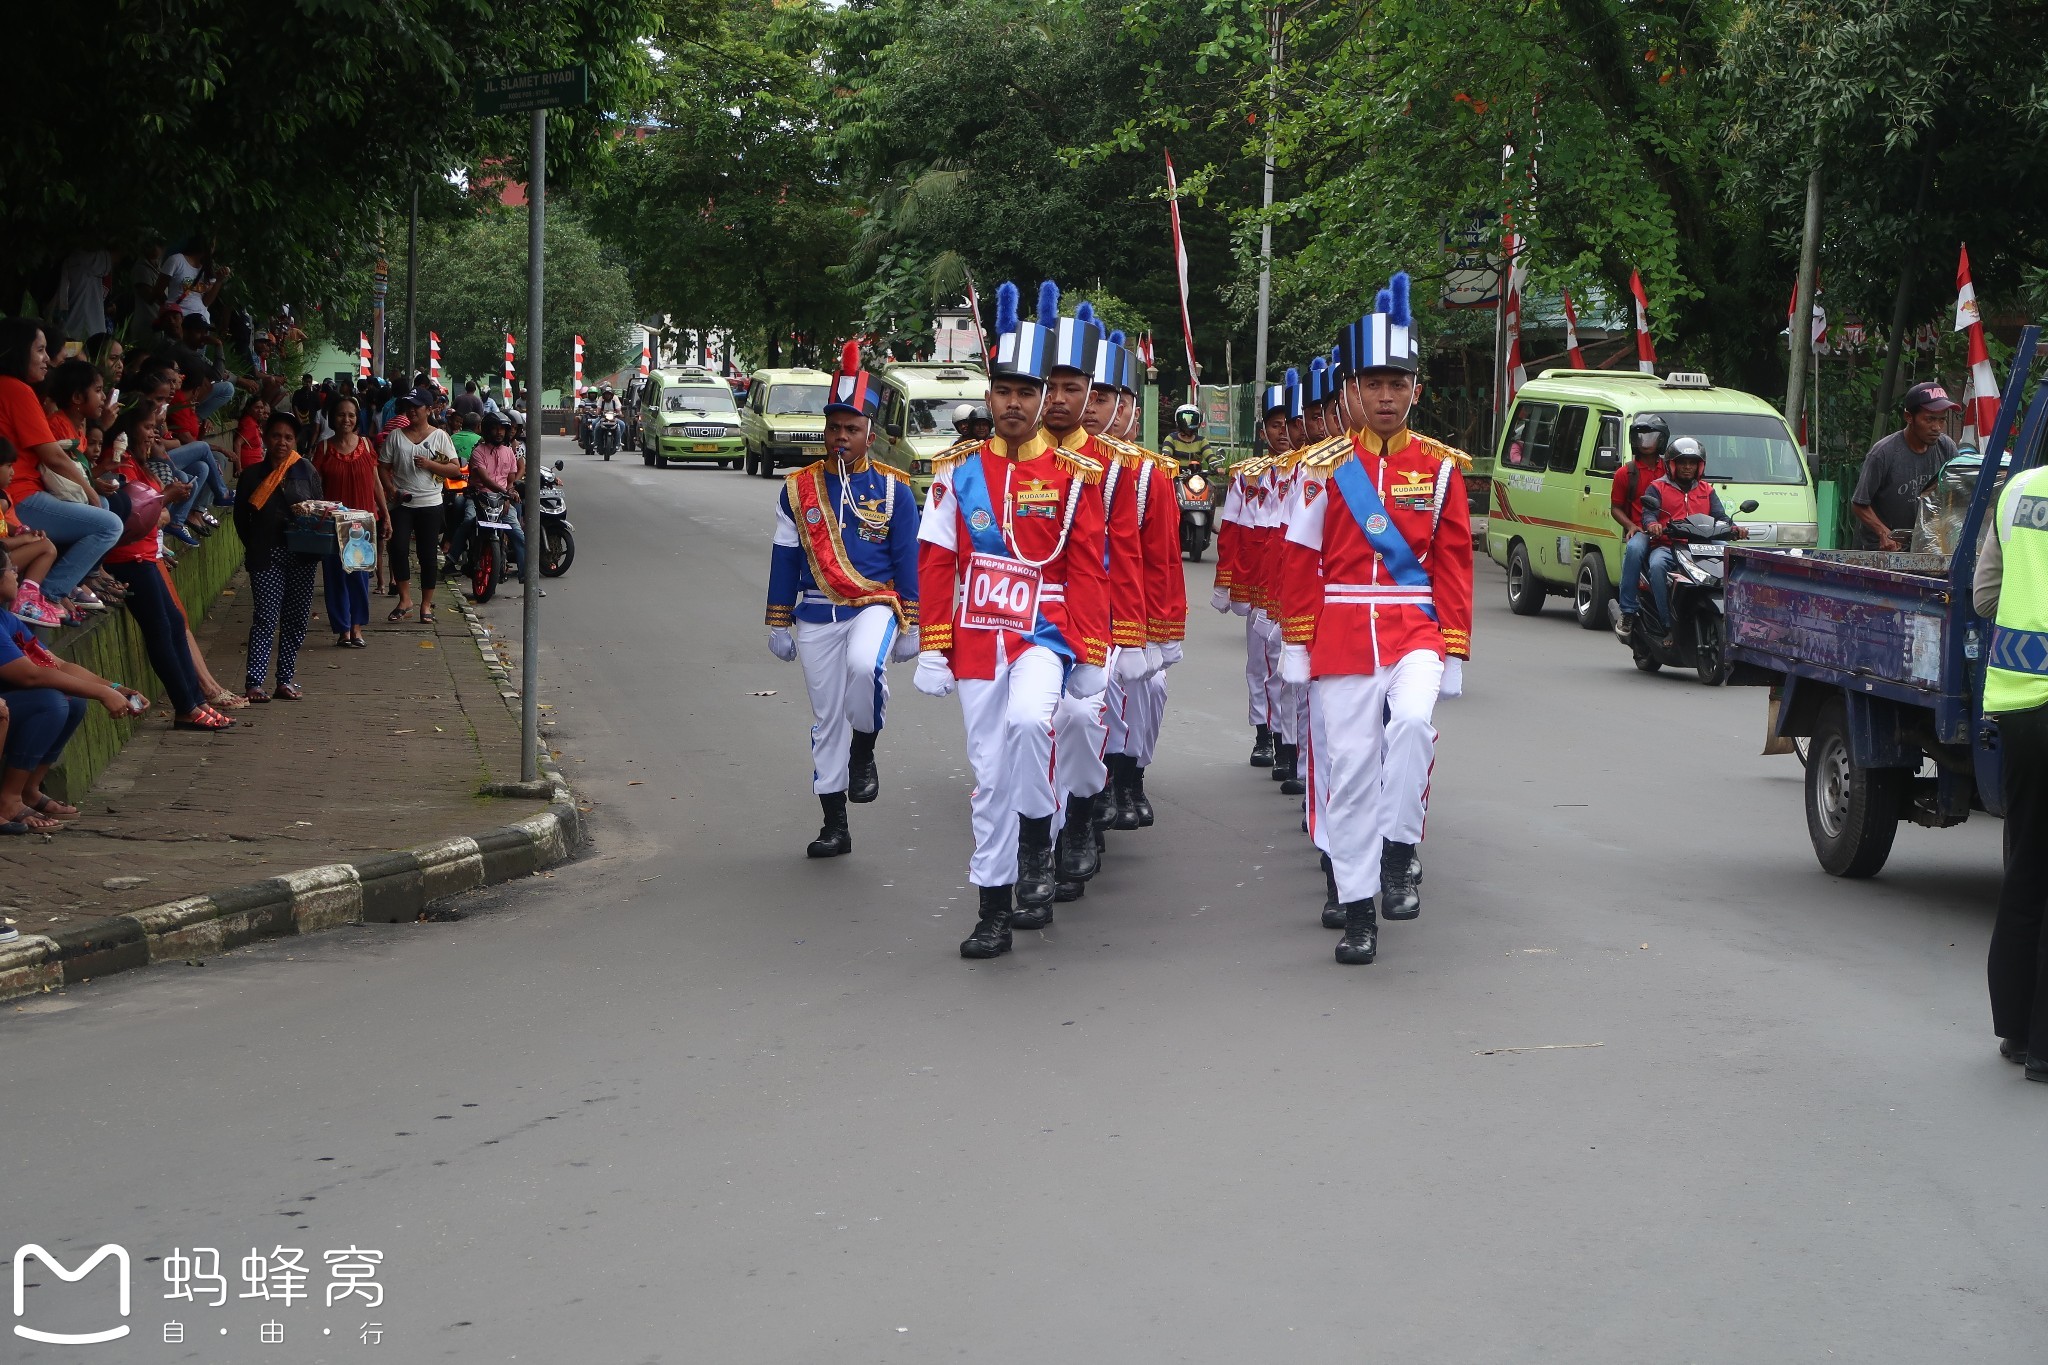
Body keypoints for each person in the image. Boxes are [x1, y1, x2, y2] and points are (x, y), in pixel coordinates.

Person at [1279, 271, 1474, 965]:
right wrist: (1298, 642)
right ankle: (1358, 908)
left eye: (1399, 383)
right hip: (1339, 631)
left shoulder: (1442, 469)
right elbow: (1300, 560)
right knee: (1351, 768)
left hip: (1413, 628)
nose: (1386, 396)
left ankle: (1399, 845)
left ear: (1416, 389)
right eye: (1374, 383)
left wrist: (1453, 648)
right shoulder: (1322, 469)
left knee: (1416, 724)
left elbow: (1452, 561)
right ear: (1352, 391)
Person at [914, 280, 1111, 959]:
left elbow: (1088, 568)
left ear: (1042, 399)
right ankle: (992, 906)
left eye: (1028, 393)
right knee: (989, 773)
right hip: (976, 637)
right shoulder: (956, 475)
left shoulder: (1074, 476)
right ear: (988, 393)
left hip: (1044, 633)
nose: (1016, 404)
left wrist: (1090, 652)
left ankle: (1037, 839)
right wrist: (935, 645)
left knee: (1033, 720)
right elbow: (937, 562)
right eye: (1004, 391)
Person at [764, 343, 921, 859]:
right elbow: (785, 558)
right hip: (815, 612)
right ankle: (835, 821)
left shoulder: (896, 490)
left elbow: (907, 559)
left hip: (874, 607)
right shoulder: (797, 489)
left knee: (863, 668)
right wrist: (778, 620)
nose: (841, 437)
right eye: (834, 428)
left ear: (869, 435)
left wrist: (914, 622)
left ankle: (866, 749)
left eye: (851, 429)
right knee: (826, 716)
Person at [1971, 453, 2048, 1082]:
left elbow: (1985, 595)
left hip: (2020, 703)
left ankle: (2017, 1033)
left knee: (2027, 862)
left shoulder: (2018, 490)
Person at [99, 408, 236, 730]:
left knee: (173, 623)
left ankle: (195, 700)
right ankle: (185, 707)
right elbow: (132, 514)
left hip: (146, 555)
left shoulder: (140, 463)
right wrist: (166, 498)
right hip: (129, 558)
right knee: (159, 629)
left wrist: (163, 500)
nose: (155, 433)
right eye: (148, 426)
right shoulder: (119, 466)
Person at [0, 558, 151, 831]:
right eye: (10, 569)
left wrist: (113, 688)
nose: (16, 574)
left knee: (73, 699)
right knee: (51, 703)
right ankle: (8, 798)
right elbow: (30, 674)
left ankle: (29, 789)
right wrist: (101, 694)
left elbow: (55, 664)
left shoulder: (6, 619)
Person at [0, 319, 122, 617]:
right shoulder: (16, 389)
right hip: (22, 496)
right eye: (40, 351)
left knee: (103, 506)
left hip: (21, 493)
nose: (46, 360)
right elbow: (52, 455)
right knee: (109, 524)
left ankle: (65, 586)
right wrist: (89, 489)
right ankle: (49, 593)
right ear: (19, 352)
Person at [234, 411, 324, 700]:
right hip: (266, 556)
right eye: (276, 436)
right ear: (265, 437)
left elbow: (319, 510)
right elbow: (240, 520)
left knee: (296, 619)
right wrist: (256, 545)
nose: (282, 442)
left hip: (302, 555)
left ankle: (285, 680)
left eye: (288, 437)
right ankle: (254, 683)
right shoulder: (251, 476)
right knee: (265, 617)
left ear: (295, 440)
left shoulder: (306, 470)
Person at [1638, 436, 1743, 634]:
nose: (1687, 467)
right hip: (1668, 545)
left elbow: (1720, 516)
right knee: (1657, 566)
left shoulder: (1707, 490)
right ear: (1672, 465)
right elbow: (1649, 514)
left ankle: (1733, 620)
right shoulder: (1657, 487)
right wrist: (1653, 525)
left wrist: (1736, 528)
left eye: (1692, 463)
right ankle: (1666, 623)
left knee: (1733, 562)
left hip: (1701, 546)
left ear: (1699, 466)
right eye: (1683, 463)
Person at [379, 388, 463, 624]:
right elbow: (382, 466)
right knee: (397, 549)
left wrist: (429, 464)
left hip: (430, 503)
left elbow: (455, 469)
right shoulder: (396, 436)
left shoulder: (439, 436)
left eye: (417, 406)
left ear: (429, 409)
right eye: (408, 406)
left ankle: (426, 605)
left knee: (427, 555)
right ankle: (405, 600)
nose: (412, 410)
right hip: (402, 502)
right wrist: (391, 489)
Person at [311, 396, 387, 647]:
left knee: (360, 578)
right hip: (332, 523)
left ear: (357, 419)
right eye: (341, 414)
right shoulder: (322, 449)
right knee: (335, 579)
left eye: (351, 415)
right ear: (332, 418)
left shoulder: (366, 445)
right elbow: (314, 488)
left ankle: (357, 628)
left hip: (362, 523)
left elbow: (376, 482)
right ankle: (343, 630)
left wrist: (385, 515)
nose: (346, 419)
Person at [1852, 382, 1960, 550]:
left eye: (1942, 420)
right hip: (1884, 551)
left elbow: (1957, 495)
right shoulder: (1883, 453)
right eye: (1930, 419)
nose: (1937, 427)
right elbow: (1859, 504)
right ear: (1909, 417)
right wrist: (1883, 533)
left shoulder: (1946, 448)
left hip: (1926, 546)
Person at [1610, 412, 1670, 639]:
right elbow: (1615, 508)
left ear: (1662, 440)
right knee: (1633, 551)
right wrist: (1630, 526)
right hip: (1642, 530)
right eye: (1641, 437)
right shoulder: (1625, 473)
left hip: (1669, 531)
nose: (1646, 442)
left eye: (1651, 437)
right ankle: (1627, 611)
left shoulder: (1670, 470)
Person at [464, 416, 523, 575]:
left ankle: (527, 578)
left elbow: (510, 481)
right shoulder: (478, 452)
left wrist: (508, 496)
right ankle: (452, 557)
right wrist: (506, 493)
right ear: (487, 430)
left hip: (502, 502)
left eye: (502, 429)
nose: (499, 433)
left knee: (519, 535)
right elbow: (485, 480)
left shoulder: (509, 452)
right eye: (496, 428)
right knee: (467, 521)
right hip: (479, 499)